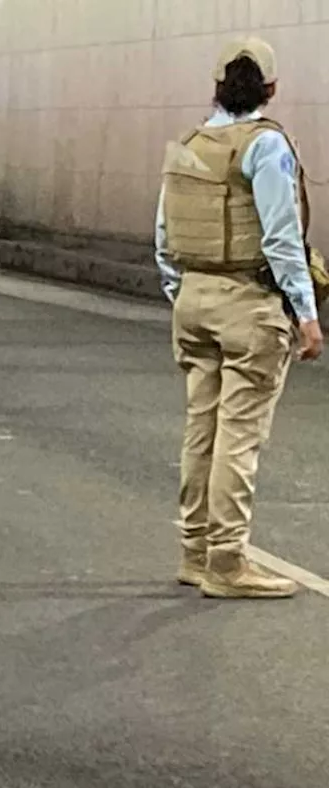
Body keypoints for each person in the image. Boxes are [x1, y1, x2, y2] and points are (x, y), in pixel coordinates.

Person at [155, 37, 323, 599]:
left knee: (200, 426)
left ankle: (194, 551)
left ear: (216, 87)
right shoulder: (265, 146)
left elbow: (163, 239)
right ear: (271, 89)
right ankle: (228, 560)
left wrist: (182, 290)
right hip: (247, 302)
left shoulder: (187, 144)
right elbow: (280, 237)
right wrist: (306, 312)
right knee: (239, 434)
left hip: (194, 298)